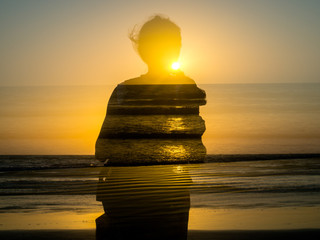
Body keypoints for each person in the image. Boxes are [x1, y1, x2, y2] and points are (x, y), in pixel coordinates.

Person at [95, 15, 206, 240]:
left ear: (142, 50)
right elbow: (196, 152)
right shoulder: (186, 89)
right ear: (176, 49)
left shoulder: (123, 91)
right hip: (172, 192)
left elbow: (102, 149)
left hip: (124, 193)